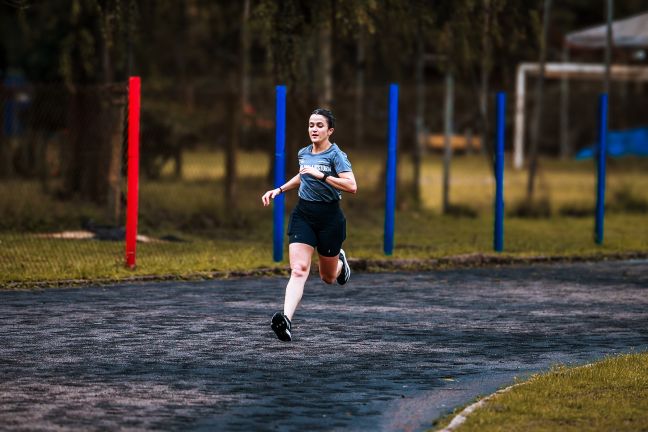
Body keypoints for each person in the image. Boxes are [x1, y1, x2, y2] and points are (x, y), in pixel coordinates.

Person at [261, 108, 357, 342]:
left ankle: (340, 265)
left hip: (330, 219)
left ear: (329, 130)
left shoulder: (336, 155)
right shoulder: (304, 153)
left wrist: (322, 176)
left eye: (319, 125)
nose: (314, 129)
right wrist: (279, 189)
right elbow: (303, 175)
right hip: (304, 214)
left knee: (327, 277)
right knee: (299, 269)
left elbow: (352, 186)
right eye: (311, 125)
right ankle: (286, 321)